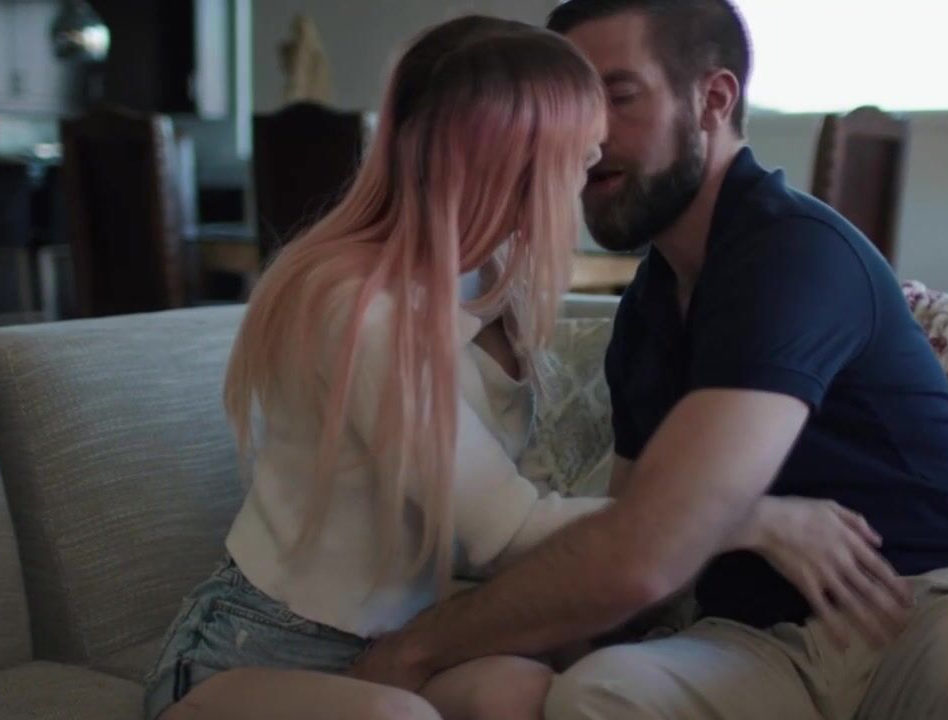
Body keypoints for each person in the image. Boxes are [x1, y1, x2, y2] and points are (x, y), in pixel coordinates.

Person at [142, 13, 906, 720]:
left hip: (383, 638)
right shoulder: (363, 311)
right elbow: (504, 532)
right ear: (508, 159)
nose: (593, 166)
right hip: (255, 646)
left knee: (528, 692)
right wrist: (738, 518)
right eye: (578, 152)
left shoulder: (493, 276)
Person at [347, 2, 948, 719]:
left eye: (618, 98)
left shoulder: (796, 255)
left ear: (712, 100)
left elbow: (646, 552)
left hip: (931, 610)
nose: (588, 138)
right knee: (599, 693)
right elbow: (627, 555)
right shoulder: (647, 310)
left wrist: (419, 648)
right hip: (757, 646)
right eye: (575, 106)